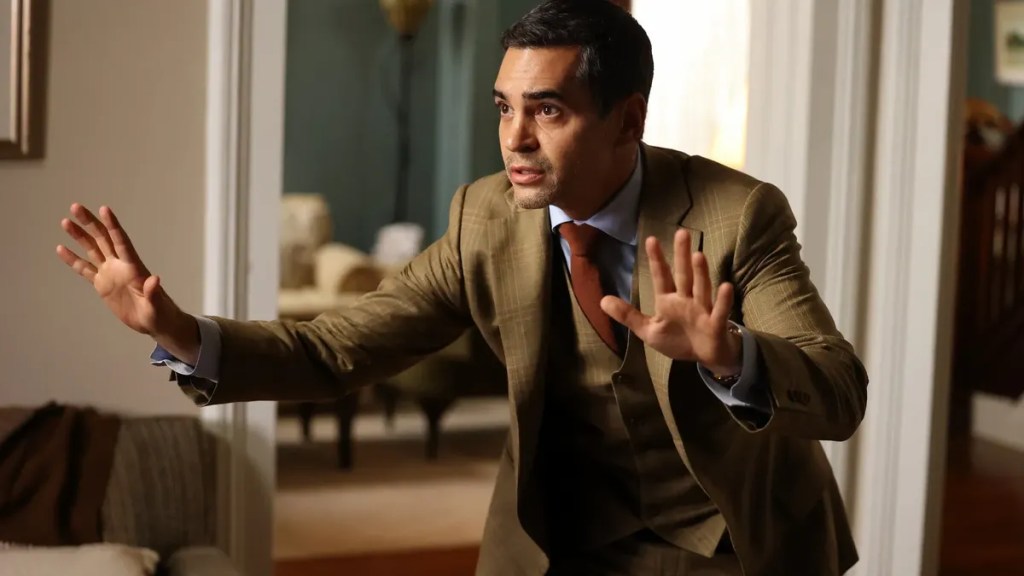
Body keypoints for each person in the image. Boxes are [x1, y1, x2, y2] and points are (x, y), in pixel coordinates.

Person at [55, 1, 868, 574]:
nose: (515, 139)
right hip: (556, 539)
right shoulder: (485, 218)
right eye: (503, 108)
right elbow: (336, 348)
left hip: (727, 542)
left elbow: (839, 389)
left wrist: (731, 357)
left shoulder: (736, 216)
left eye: (547, 111)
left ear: (628, 120)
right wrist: (179, 331)